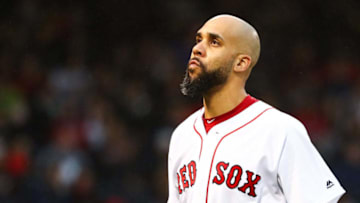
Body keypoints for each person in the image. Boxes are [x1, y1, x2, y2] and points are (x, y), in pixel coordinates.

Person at [167, 14, 345, 203]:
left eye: (215, 42)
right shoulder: (182, 135)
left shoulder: (281, 130)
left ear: (241, 63)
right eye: (198, 39)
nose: (197, 49)